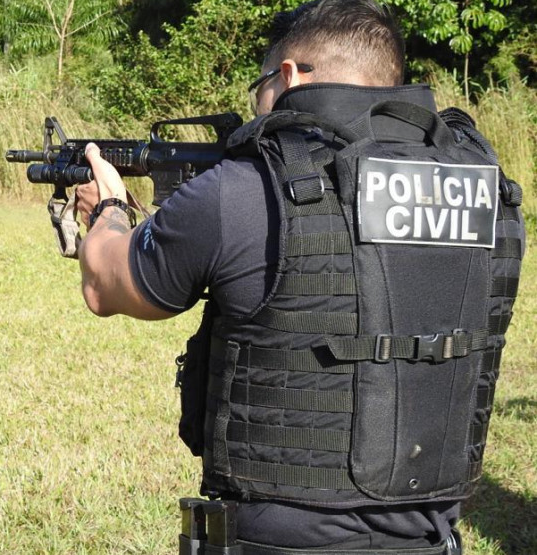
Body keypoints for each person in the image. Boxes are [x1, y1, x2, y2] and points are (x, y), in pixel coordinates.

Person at [74, 0, 525, 552]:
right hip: (431, 537)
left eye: (259, 85)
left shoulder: (246, 187)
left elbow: (106, 283)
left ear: (288, 75)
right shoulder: (487, 193)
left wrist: (108, 210)